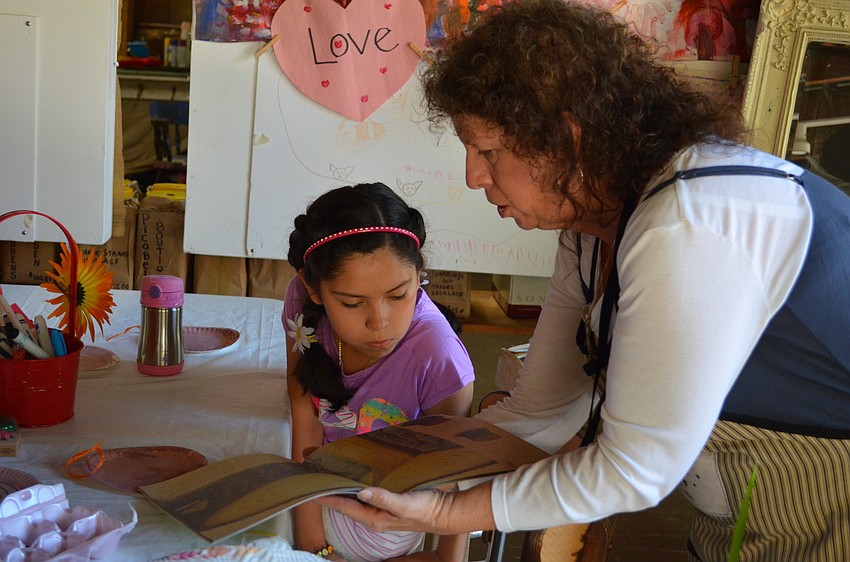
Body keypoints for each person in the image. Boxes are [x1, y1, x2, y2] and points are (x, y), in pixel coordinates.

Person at [315, 2, 850, 561]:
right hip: (744, 509)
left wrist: (449, 510)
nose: (473, 176)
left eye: (487, 150)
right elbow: (540, 415)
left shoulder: (686, 220)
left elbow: (635, 469)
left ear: (566, 137)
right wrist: (380, 461)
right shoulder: (591, 233)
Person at [283, 182, 475, 562]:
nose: (380, 323)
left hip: (386, 521)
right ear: (313, 287)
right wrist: (314, 548)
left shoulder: (438, 357)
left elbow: (456, 479)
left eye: (398, 296)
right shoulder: (301, 300)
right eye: (353, 303)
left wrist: (444, 559)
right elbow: (304, 419)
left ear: (420, 273)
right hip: (322, 488)